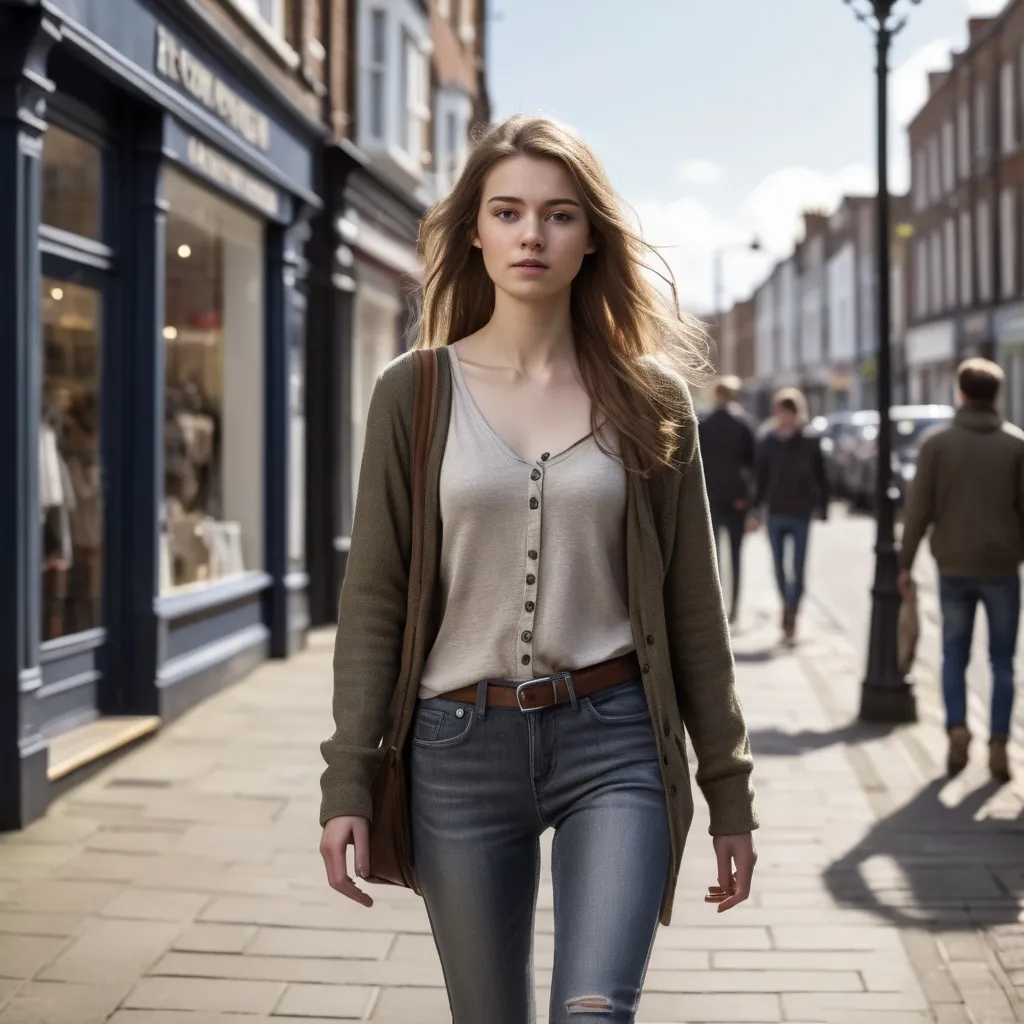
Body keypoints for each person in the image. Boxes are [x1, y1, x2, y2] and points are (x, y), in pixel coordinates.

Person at [317, 115, 758, 1024]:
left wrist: (728, 792)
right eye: (507, 211)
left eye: (557, 214)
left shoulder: (651, 401)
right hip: (454, 750)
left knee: (594, 1014)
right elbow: (373, 600)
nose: (531, 234)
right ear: (473, 231)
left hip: (617, 743)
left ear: (590, 235)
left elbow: (692, 608)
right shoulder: (414, 390)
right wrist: (347, 781)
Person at [898, 358, 1024, 784]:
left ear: (961, 393)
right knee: (1003, 661)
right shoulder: (1016, 445)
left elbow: (918, 510)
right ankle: (999, 744)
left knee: (954, 653)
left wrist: (905, 561)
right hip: (1003, 568)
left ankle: (957, 728)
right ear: (997, 395)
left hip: (952, 566)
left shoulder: (937, 445)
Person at [750, 388, 829, 644]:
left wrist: (823, 506)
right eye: (782, 412)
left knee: (798, 566)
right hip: (775, 511)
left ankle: (793, 612)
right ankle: (785, 603)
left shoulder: (810, 440)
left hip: (801, 511)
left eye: (790, 413)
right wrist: (755, 510)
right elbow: (759, 478)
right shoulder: (768, 441)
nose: (786, 418)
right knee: (779, 567)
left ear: (797, 413)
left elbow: (821, 476)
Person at [699, 375, 756, 624]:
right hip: (736, 498)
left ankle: (718, 610)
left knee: (713, 559)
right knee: (736, 555)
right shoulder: (743, 423)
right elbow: (753, 466)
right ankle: (734, 610)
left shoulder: (705, 423)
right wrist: (749, 499)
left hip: (709, 497)